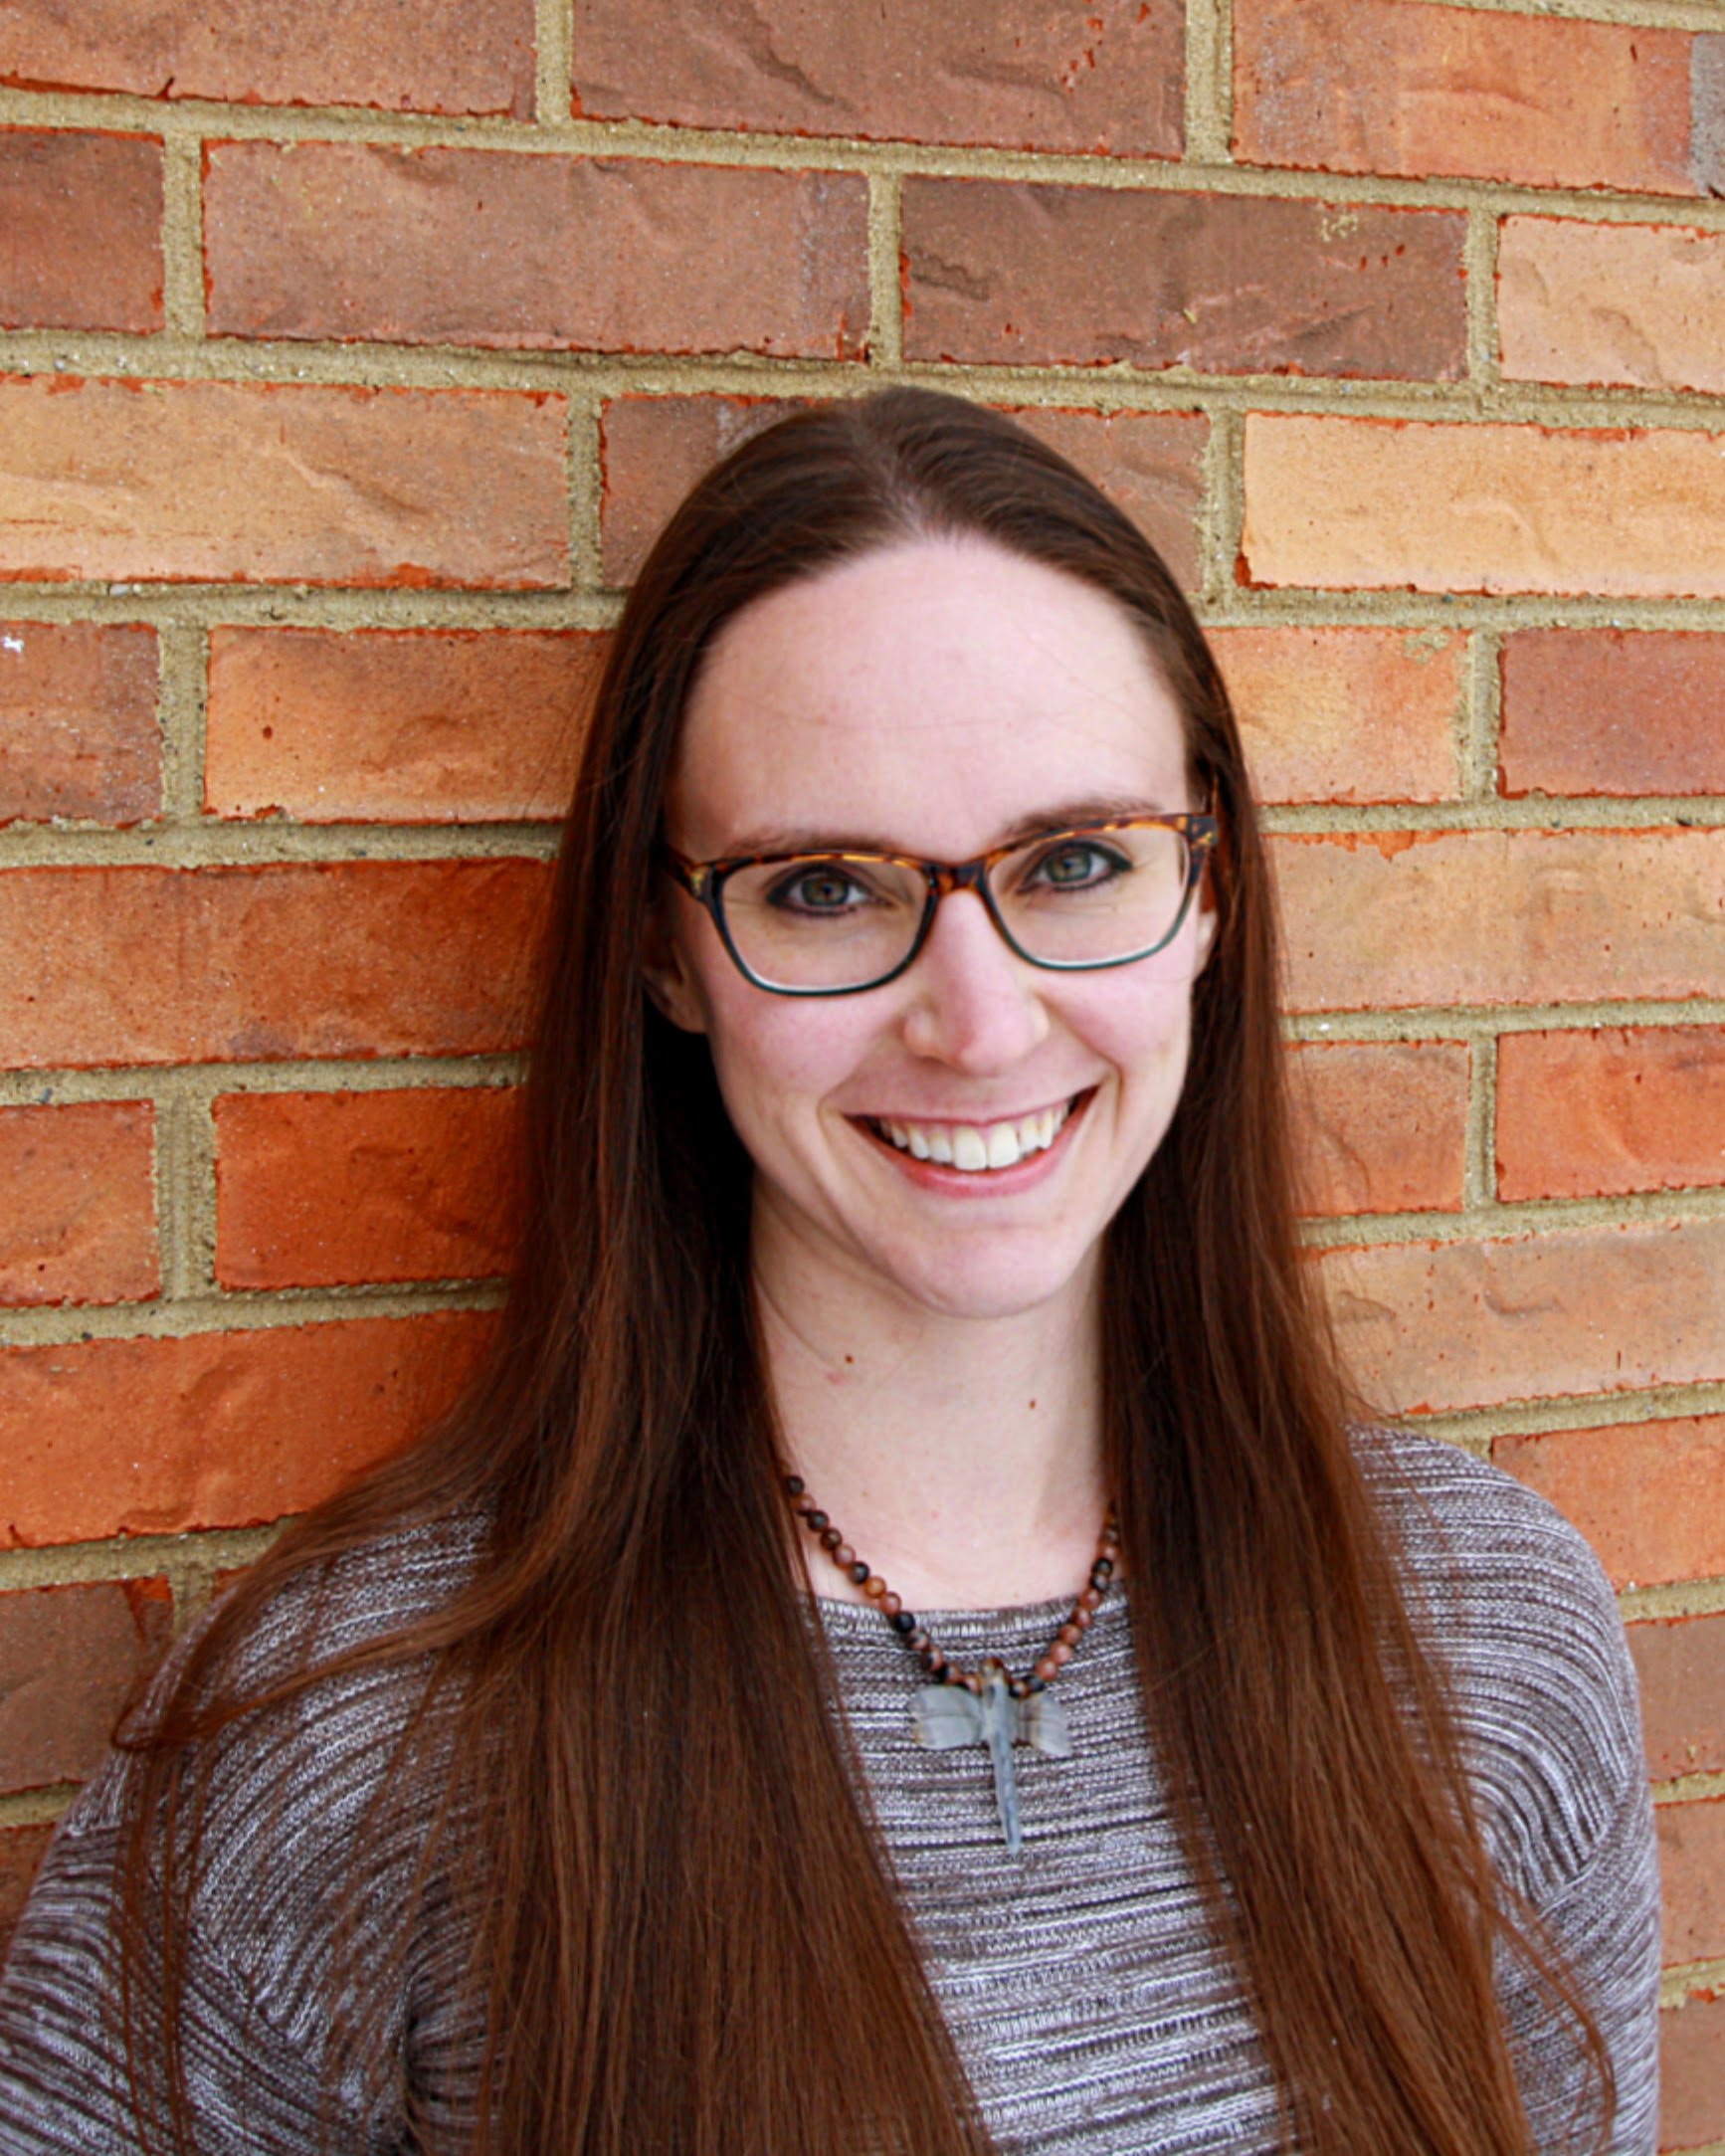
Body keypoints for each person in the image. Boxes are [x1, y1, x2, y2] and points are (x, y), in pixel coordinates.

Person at [0, 389, 1658, 2154]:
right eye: (822, 890)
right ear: (663, 948)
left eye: (1077, 862)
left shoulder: (1481, 1633)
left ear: (1209, 897)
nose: (976, 1018)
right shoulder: (359, 1723)